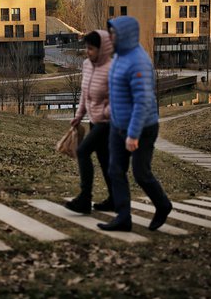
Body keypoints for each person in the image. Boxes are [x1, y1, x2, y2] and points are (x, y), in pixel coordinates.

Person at [97, 16, 172, 232]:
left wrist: (133, 134)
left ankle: (163, 205)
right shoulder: (120, 56)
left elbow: (143, 101)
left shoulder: (139, 61)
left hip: (142, 128)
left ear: (125, 34)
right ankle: (123, 217)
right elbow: (118, 90)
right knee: (115, 170)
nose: (110, 36)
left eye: (113, 33)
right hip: (118, 126)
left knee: (141, 173)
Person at [65, 30, 115, 214]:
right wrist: (79, 115)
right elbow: (85, 94)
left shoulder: (112, 68)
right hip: (94, 121)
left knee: (83, 151)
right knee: (104, 160)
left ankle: (85, 199)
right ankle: (114, 199)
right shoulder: (87, 65)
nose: (88, 52)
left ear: (102, 50)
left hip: (108, 123)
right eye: (86, 48)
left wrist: (104, 113)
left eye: (91, 49)